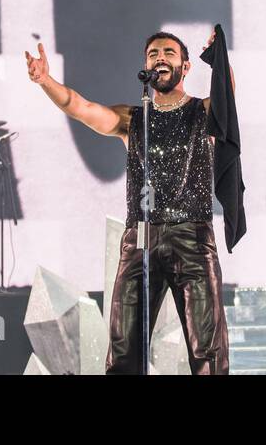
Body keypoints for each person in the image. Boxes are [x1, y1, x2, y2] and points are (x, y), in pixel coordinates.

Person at [25, 30, 231, 374]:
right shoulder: (133, 119)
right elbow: (80, 107)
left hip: (192, 237)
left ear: (185, 65)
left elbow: (228, 99)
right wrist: (45, 80)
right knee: (123, 349)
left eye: (168, 52)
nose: (160, 57)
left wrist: (220, 61)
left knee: (206, 348)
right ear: (145, 66)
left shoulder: (202, 112)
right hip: (141, 240)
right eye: (153, 54)